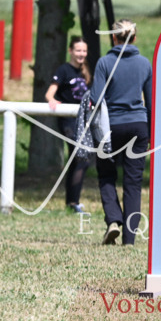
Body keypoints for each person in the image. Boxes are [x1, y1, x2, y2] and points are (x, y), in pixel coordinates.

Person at [89, 19, 153, 246]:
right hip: (138, 126)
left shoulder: (104, 63)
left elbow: (95, 99)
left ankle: (113, 220)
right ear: (134, 38)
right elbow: (151, 102)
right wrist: (151, 133)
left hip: (110, 127)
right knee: (133, 183)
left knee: (107, 175)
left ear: (113, 37)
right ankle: (129, 239)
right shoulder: (145, 64)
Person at [46, 36, 93, 213]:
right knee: (81, 157)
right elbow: (50, 93)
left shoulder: (86, 71)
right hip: (67, 122)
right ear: (71, 51)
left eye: (84, 51)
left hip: (83, 122)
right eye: (78, 50)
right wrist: (52, 100)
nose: (81, 54)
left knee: (78, 160)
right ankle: (73, 203)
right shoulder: (64, 70)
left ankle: (71, 203)